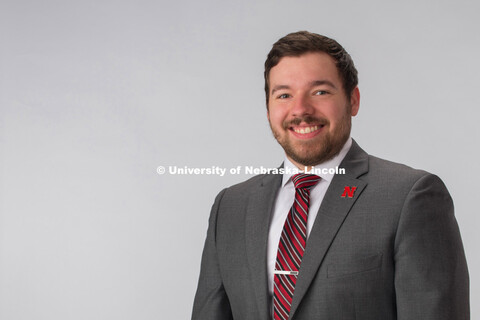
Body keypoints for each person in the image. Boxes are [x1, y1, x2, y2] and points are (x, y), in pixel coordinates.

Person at [191, 31, 469, 320]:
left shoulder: (409, 197)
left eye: (320, 92)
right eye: (284, 95)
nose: (300, 110)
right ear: (268, 108)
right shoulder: (231, 206)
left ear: (353, 100)